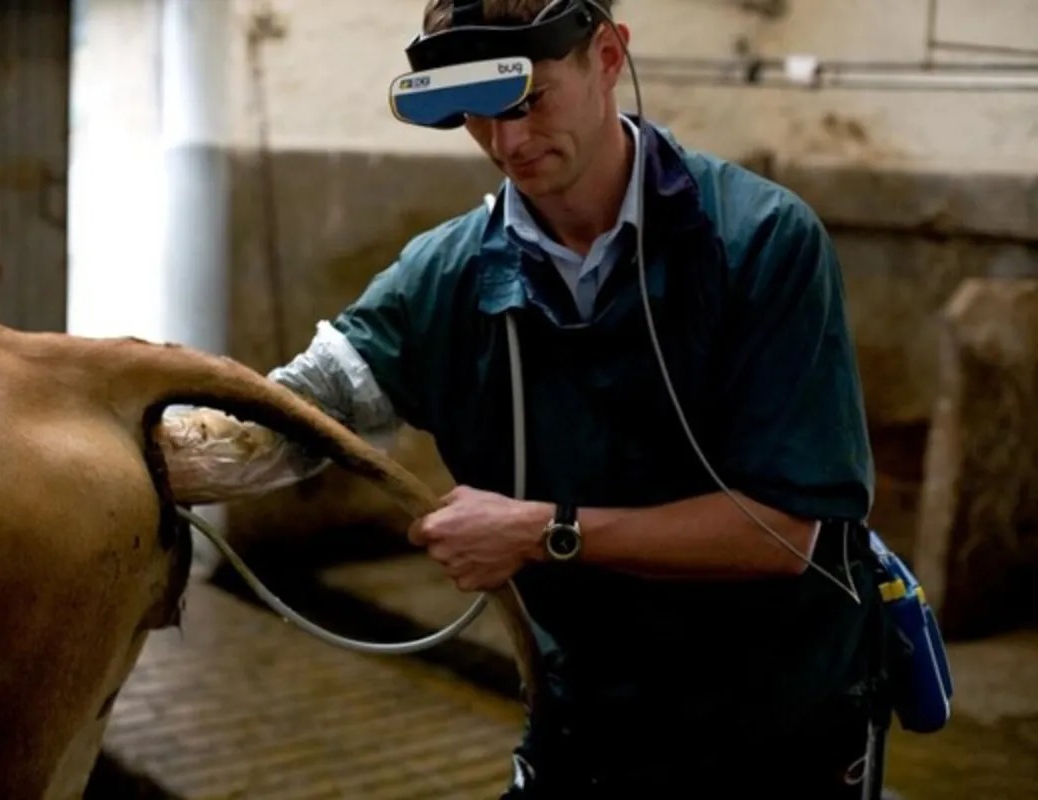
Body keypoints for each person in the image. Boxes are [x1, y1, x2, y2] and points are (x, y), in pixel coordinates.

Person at [221, 0, 891, 796]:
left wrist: (541, 531)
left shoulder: (759, 243)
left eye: (529, 101)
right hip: (586, 715)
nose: (507, 143)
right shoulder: (445, 276)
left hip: (777, 721)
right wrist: (133, 431)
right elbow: (290, 417)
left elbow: (783, 533)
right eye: (476, 113)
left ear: (606, 57)